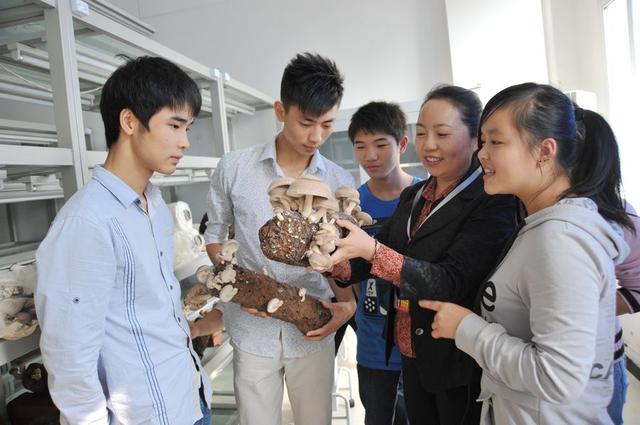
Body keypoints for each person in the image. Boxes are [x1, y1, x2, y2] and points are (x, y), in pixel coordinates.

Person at [421, 82, 632, 425]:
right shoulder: (539, 224)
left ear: (544, 151)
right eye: (484, 141)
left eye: (496, 141)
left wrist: (467, 329)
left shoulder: (560, 240)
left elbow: (557, 377)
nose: (482, 154)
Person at [35, 56, 212, 424]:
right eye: (175, 125)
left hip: (188, 399)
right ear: (129, 121)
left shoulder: (155, 203)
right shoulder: (86, 222)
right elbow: (70, 357)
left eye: (188, 127)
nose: (185, 141)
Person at [328, 85, 518, 425]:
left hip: (458, 359)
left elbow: (450, 280)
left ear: (476, 139)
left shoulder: (492, 199)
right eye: (421, 133)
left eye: (442, 133)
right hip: (410, 352)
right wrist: (333, 259)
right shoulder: (414, 196)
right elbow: (373, 259)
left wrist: (370, 249)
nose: (429, 145)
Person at [201, 52, 355, 425]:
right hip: (252, 330)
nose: (316, 136)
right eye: (306, 123)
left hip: (313, 327)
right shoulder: (235, 168)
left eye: (327, 124)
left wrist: (345, 307)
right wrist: (237, 283)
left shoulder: (338, 180)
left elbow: (346, 258)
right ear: (280, 110)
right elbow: (215, 232)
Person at [347, 101, 417, 425]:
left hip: (419, 340)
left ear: (402, 144)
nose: (370, 156)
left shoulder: (425, 197)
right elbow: (344, 269)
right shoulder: (352, 204)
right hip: (373, 342)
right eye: (360, 146)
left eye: (380, 144)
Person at [609, 202, 639, 424]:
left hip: (600, 365)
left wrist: (583, 309)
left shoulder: (611, 209)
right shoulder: (504, 201)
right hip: (521, 361)